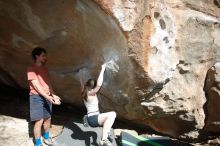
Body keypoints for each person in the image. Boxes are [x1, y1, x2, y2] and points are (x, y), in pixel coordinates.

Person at [27, 47, 61, 146]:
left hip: (47, 96)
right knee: (39, 121)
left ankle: (46, 137)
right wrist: (48, 97)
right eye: (43, 56)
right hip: (36, 97)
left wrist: (53, 94)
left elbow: (48, 84)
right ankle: (38, 143)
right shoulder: (31, 69)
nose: (45, 58)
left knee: (48, 118)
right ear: (37, 56)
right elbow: (36, 86)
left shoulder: (44, 69)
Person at [80, 64, 117, 146]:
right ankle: (104, 139)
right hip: (93, 118)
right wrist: (102, 69)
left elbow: (82, 83)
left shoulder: (83, 91)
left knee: (106, 122)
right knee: (112, 114)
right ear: (92, 88)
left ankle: (106, 134)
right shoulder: (91, 93)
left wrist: (80, 74)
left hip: (92, 117)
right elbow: (99, 84)